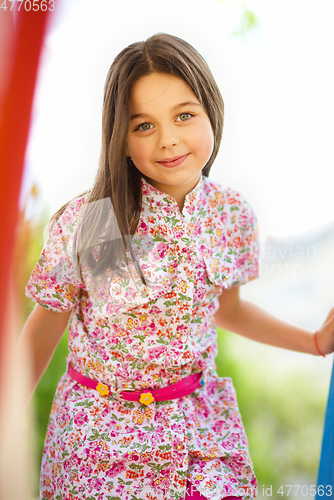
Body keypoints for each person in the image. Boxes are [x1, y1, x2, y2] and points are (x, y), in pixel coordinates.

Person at [19, 33, 334, 500]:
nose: (168, 140)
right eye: (143, 125)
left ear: (213, 112)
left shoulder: (231, 214)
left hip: (200, 433)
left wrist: (313, 343)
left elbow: (226, 310)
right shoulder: (100, 222)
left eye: (184, 116)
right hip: (100, 443)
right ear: (120, 139)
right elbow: (44, 333)